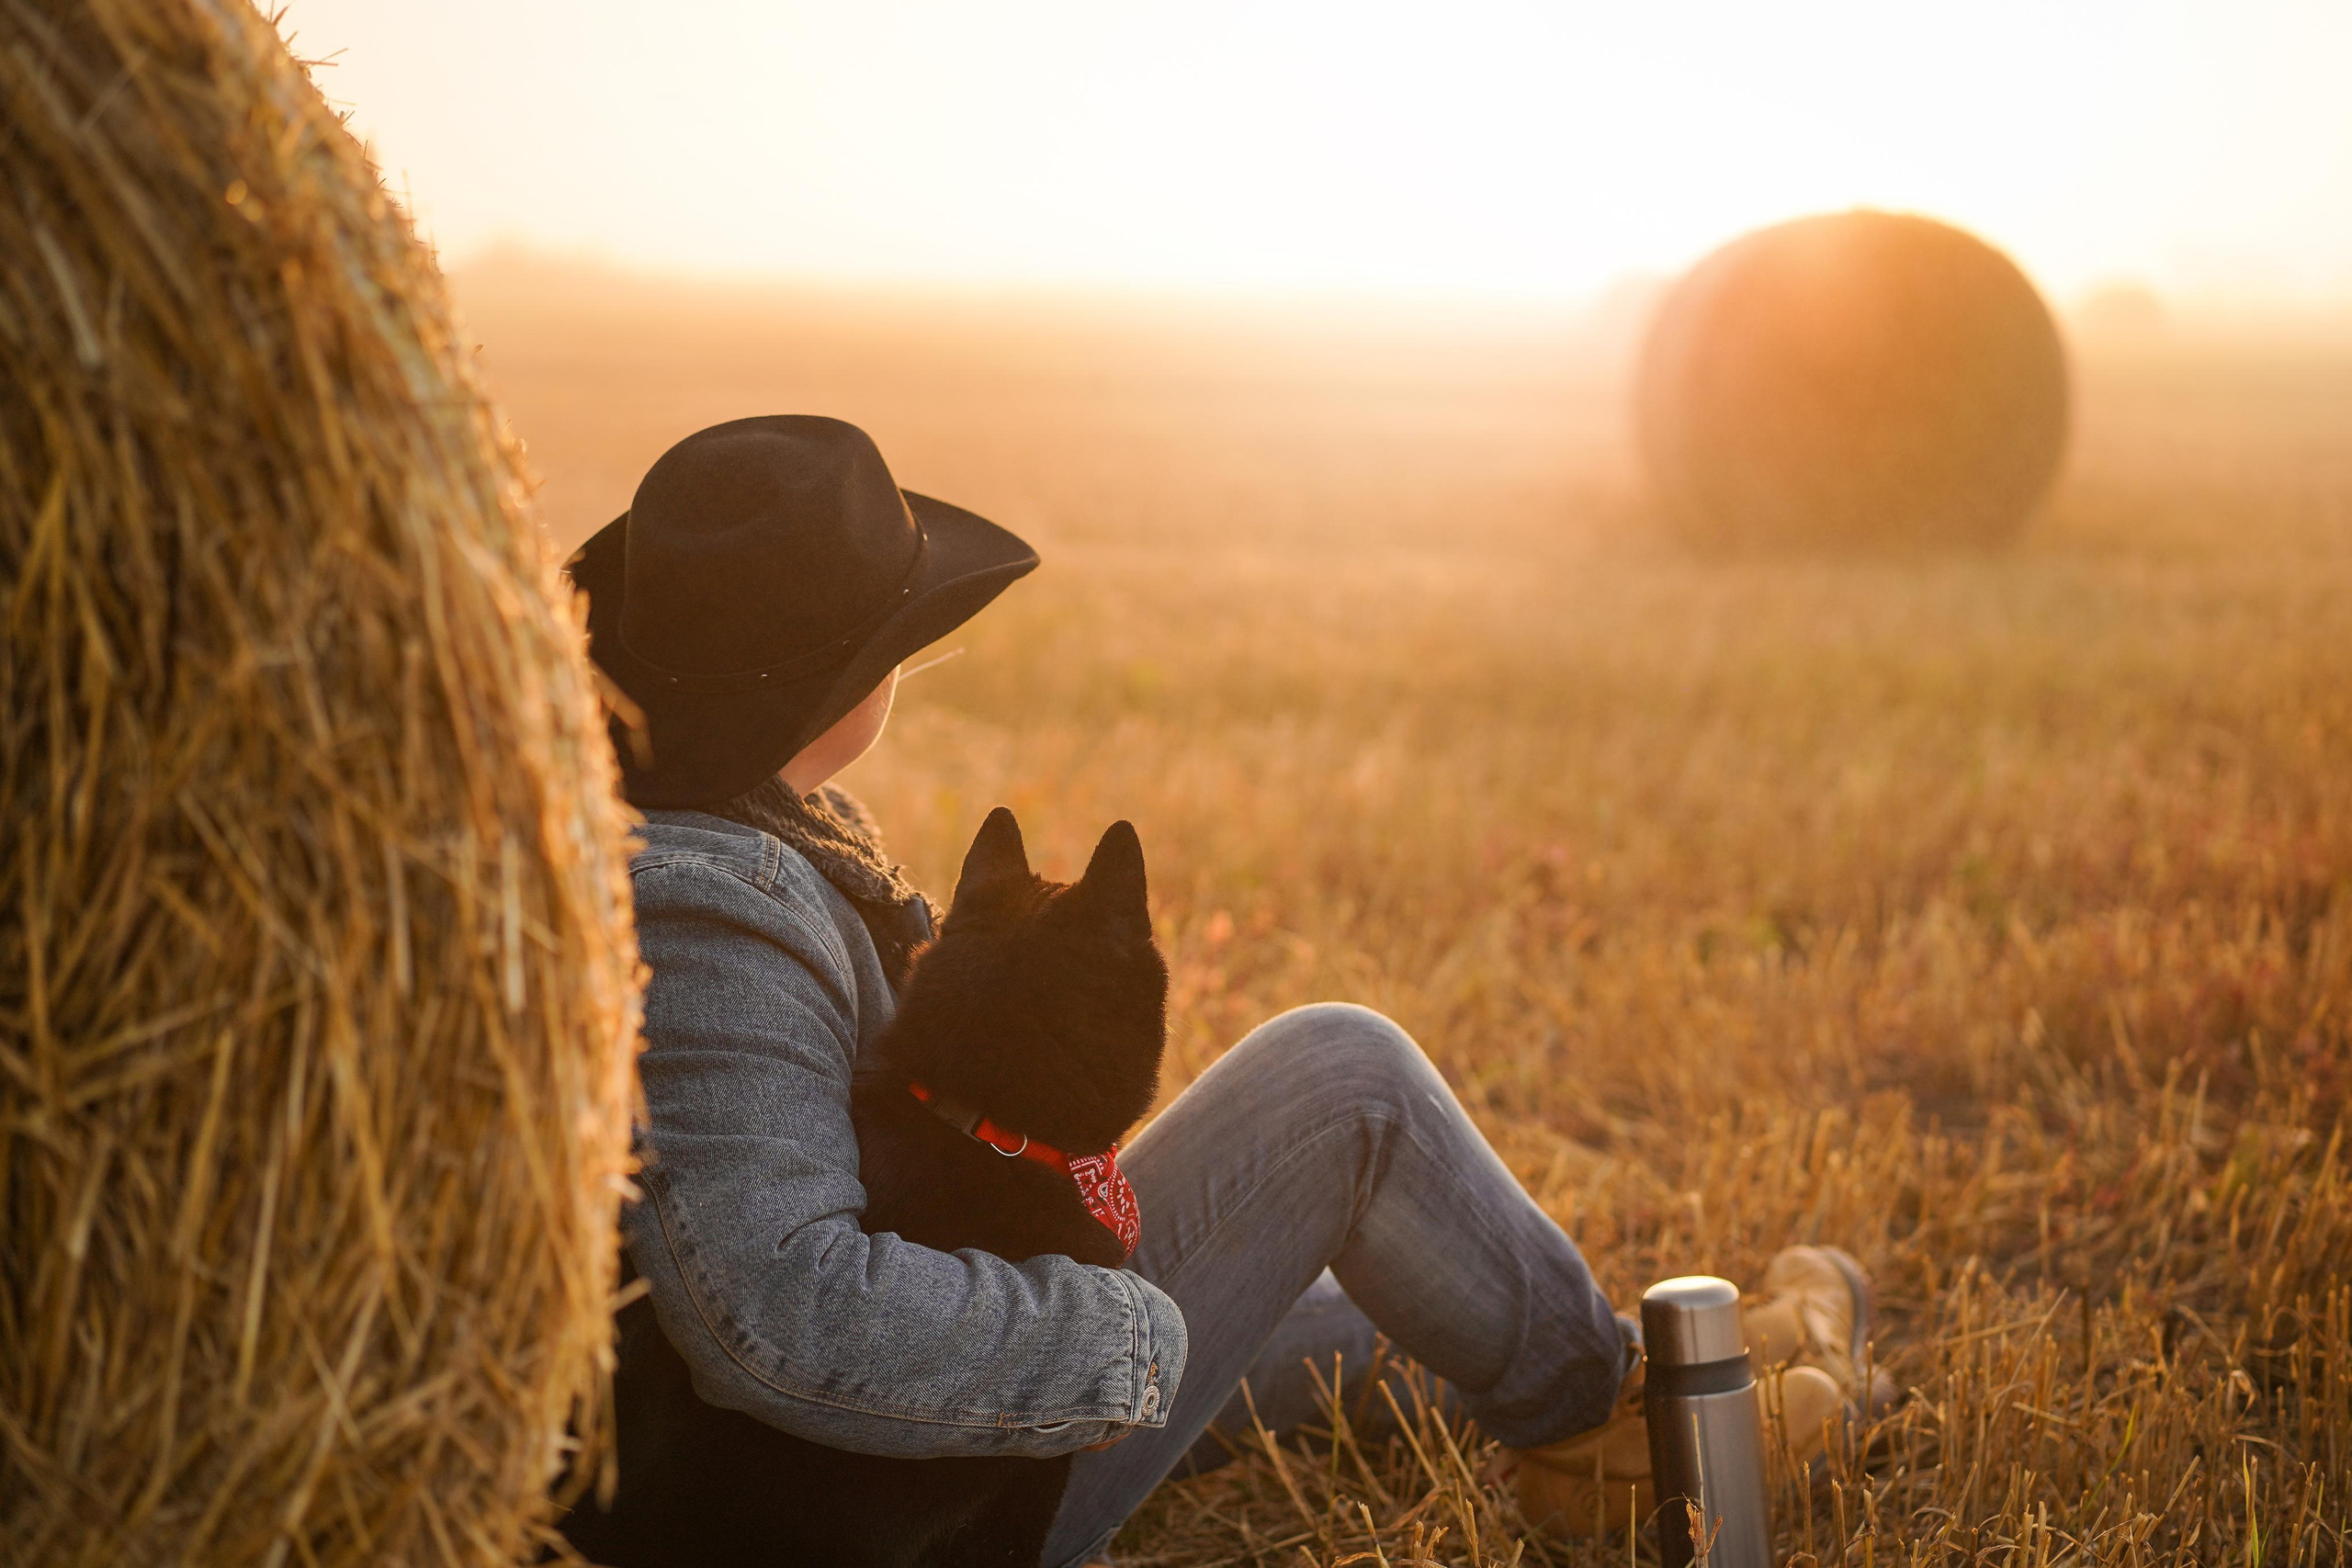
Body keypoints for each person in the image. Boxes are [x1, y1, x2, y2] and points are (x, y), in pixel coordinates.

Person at [566, 415, 1880, 1564]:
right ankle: (1620, 1447)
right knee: (1341, 1082)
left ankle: (1661, 1373)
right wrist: (1124, 1324)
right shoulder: (706, 910)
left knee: (1382, 1304)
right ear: (855, 678)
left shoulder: (746, 817)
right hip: (932, 1506)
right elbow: (774, 1316)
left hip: (939, 1415)